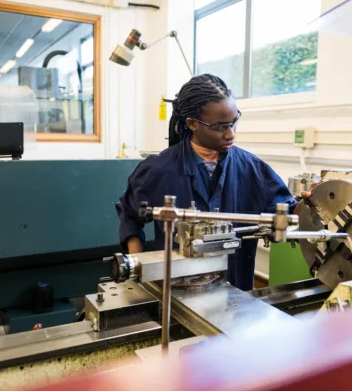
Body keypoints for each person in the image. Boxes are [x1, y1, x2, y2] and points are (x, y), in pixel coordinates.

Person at [116, 74, 297, 291]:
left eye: (234, 122)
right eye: (221, 127)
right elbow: (130, 214)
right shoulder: (158, 169)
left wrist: (316, 201)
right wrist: (137, 267)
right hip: (175, 291)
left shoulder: (253, 170)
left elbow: (290, 213)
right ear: (192, 124)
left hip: (236, 292)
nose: (231, 134)